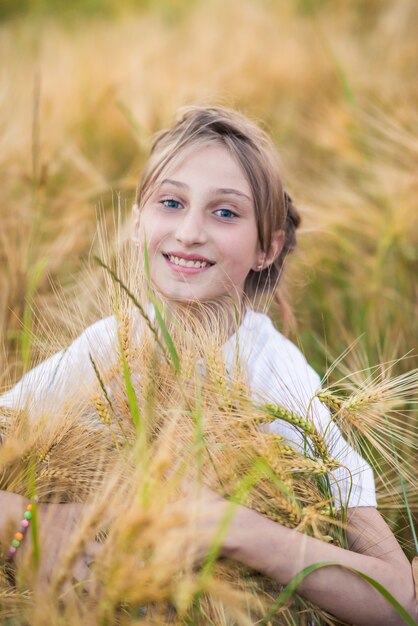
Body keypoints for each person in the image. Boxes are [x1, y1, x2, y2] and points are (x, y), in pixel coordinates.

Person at [0, 105, 416, 625]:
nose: (190, 231)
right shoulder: (106, 347)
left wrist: (236, 529)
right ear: (136, 223)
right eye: (171, 202)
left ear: (268, 246)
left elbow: (399, 599)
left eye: (225, 212)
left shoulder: (276, 375)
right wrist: (26, 524)